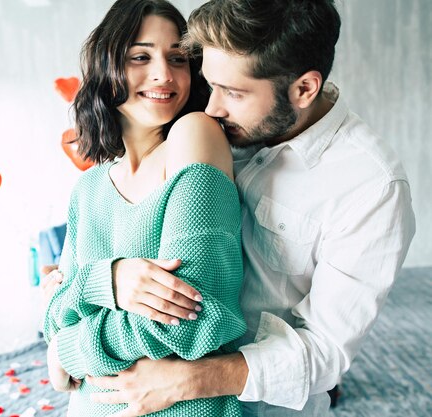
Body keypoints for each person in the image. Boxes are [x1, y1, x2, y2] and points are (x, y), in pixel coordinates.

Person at [46, 0, 417, 416]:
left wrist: (188, 378)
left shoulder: (370, 186)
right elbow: (62, 288)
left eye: (233, 93)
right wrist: (103, 281)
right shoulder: (211, 131)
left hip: (258, 404)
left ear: (303, 89)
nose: (211, 107)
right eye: (210, 83)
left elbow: (325, 351)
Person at [43, 0, 250, 415]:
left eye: (178, 58)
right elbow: (52, 314)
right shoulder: (87, 189)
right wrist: (109, 279)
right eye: (141, 56)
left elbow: (191, 317)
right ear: (106, 67)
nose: (164, 74)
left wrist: (68, 350)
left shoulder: (195, 136)